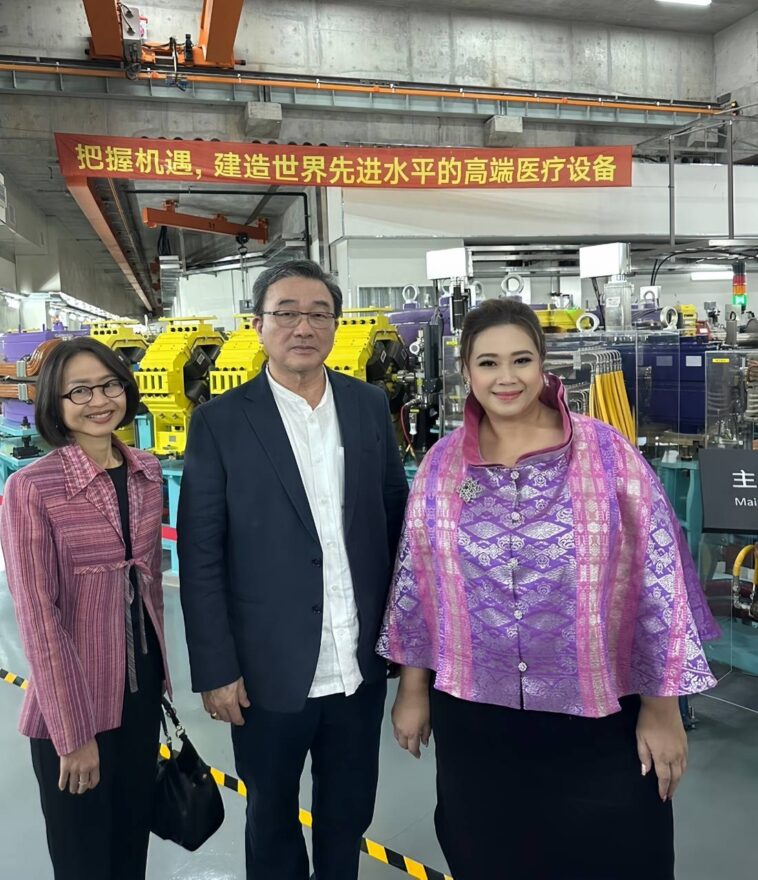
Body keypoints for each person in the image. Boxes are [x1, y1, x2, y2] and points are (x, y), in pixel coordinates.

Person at [378, 299, 719, 880]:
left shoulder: (606, 454)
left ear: (543, 365)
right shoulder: (441, 466)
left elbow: (657, 579)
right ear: (467, 371)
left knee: (615, 857)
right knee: (487, 853)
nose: (505, 378)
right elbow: (419, 583)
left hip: (596, 713)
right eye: (488, 363)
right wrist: (412, 691)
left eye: (521, 360)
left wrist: (662, 710)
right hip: (477, 716)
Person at [178, 259, 408, 880]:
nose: (302, 327)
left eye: (318, 314)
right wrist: (216, 670)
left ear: (335, 325)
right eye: (285, 313)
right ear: (257, 324)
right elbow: (200, 555)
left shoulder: (367, 406)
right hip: (266, 671)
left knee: (347, 813)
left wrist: (403, 644)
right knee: (271, 816)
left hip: (357, 665)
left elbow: (395, 525)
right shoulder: (220, 421)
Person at [1, 336, 169, 880]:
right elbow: (38, 616)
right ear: (56, 402)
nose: (99, 401)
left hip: (141, 697)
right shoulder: (33, 487)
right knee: (84, 862)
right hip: (73, 706)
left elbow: (150, 586)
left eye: (109, 385)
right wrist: (73, 736)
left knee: (130, 853)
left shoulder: (146, 472)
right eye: (79, 391)